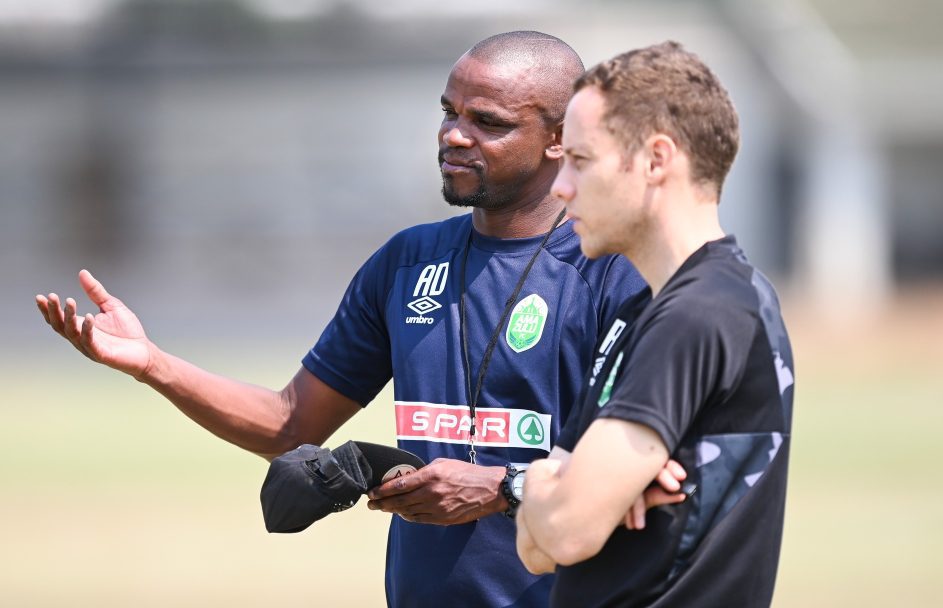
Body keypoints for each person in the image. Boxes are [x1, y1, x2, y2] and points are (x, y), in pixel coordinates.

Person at [35, 31, 653, 607]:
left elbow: (650, 468)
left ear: (560, 139)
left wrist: (498, 485)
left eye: (487, 123)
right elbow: (290, 423)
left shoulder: (616, 270)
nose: (454, 136)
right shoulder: (408, 262)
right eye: (449, 113)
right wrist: (153, 364)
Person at [515, 41, 796, 607]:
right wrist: (568, 487)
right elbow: (534, 549)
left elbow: (565, 531)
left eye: (580, 160)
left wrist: (557, 489)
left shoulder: (705, 310)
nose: (560, 186)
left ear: (656, 160)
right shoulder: (642, 310)